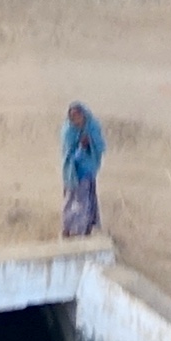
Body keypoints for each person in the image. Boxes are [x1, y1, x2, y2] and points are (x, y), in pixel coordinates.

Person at [60, 101, 105, 238]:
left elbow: (100, 146)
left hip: (88, 172)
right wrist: (81, 147)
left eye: (78, 115)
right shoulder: (68, 132)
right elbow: (69, 157)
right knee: (72, 201)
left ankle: (84, 230)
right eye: (73, 116)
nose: (76, 119)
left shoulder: (92, 126)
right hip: (73, 173)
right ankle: (68, 229)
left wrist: (90, 142)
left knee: (87, 201)